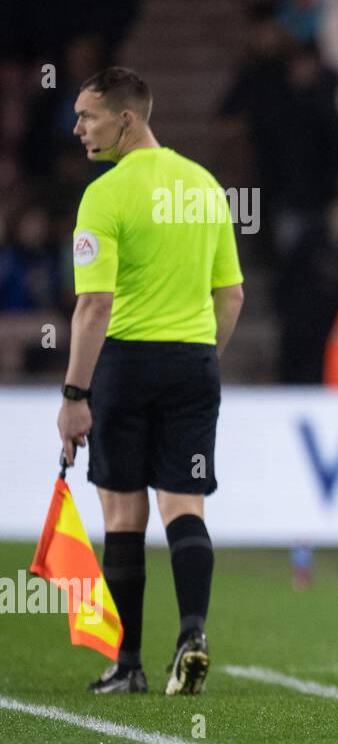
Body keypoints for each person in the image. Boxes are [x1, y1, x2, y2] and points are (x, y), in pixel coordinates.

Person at [59, 67, 244, 695]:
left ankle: (129, 663)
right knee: (184, 506)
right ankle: (192, 632)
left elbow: (93, 308)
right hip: (193, 361)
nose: (78, 127)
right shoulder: (204, 186)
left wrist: (74, 396)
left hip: (126, 364)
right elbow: (234, 294)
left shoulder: (104, 195)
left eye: (88, 116)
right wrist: (202, 354)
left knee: (122, 511)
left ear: (126, 119)